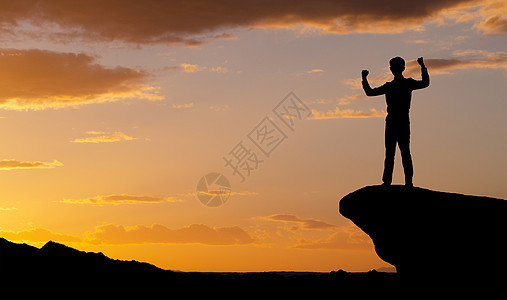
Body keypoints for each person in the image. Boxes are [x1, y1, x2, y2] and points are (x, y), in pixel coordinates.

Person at [362, 57, 429, 187]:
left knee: (401, 152)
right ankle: (391, 181)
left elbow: (425, 83)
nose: (394, 69)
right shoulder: (392, 86)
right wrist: (364, 79)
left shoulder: (404, 84)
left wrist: (422, 66)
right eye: (393, 66)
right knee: (393, 152)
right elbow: (370, 93)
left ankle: (405, 182)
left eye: (395, 66)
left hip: (400, 120)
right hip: (394, 121)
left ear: (401, 68)